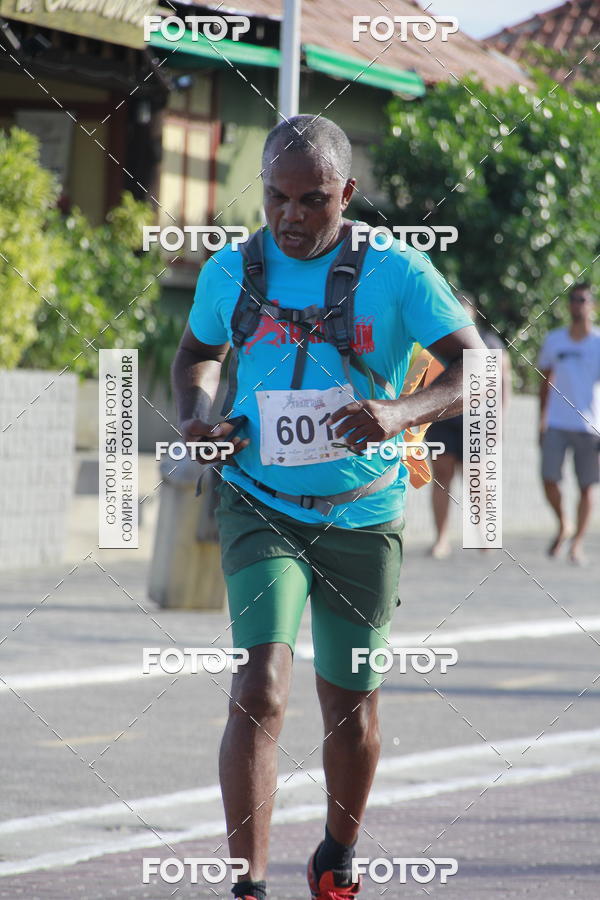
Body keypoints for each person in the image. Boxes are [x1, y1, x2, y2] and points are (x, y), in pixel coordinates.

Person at [171, 115, 484, 900]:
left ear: (346, 192)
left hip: (363, 512)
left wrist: (400, 415)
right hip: (259, 501)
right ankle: (247, 884)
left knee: (351, 709)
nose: (292, 217)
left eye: (313, 200)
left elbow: (475, 368)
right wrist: (199, 417)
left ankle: (336, 854)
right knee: (261, 684)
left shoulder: (399, 273)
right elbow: (196, 355)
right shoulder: (232, 270)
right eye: (278, 198)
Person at [426, 292, 511, 558]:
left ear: (474, 313)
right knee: (441, 479)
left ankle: (484, 535)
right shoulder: (436, 340)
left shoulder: (489, 341)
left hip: (478, 421)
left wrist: (500, 418)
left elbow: (503, 382)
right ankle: (441, 539)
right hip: (441, 419)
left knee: (478, 481)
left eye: (466, 311)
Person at [538, 282, 600, 564]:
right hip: (557, 421)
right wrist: (540, 419)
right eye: (573, 299)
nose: (577, 305)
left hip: (589, 425)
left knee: (587, 485)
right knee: (549, 478)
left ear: (592, 306)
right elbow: (544, 381)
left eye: (582, 300)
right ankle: (564, 523)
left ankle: (577, 543)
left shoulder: (598, 343)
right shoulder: (555, 340)